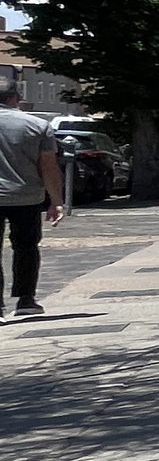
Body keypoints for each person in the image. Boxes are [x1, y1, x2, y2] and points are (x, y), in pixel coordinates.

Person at [0, 81, 65, 319]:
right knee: (26, 247)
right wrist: (56, 200)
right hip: (26, 196)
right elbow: (49, 166)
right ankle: (25, 299)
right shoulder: (37, 125)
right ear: (16, 97)